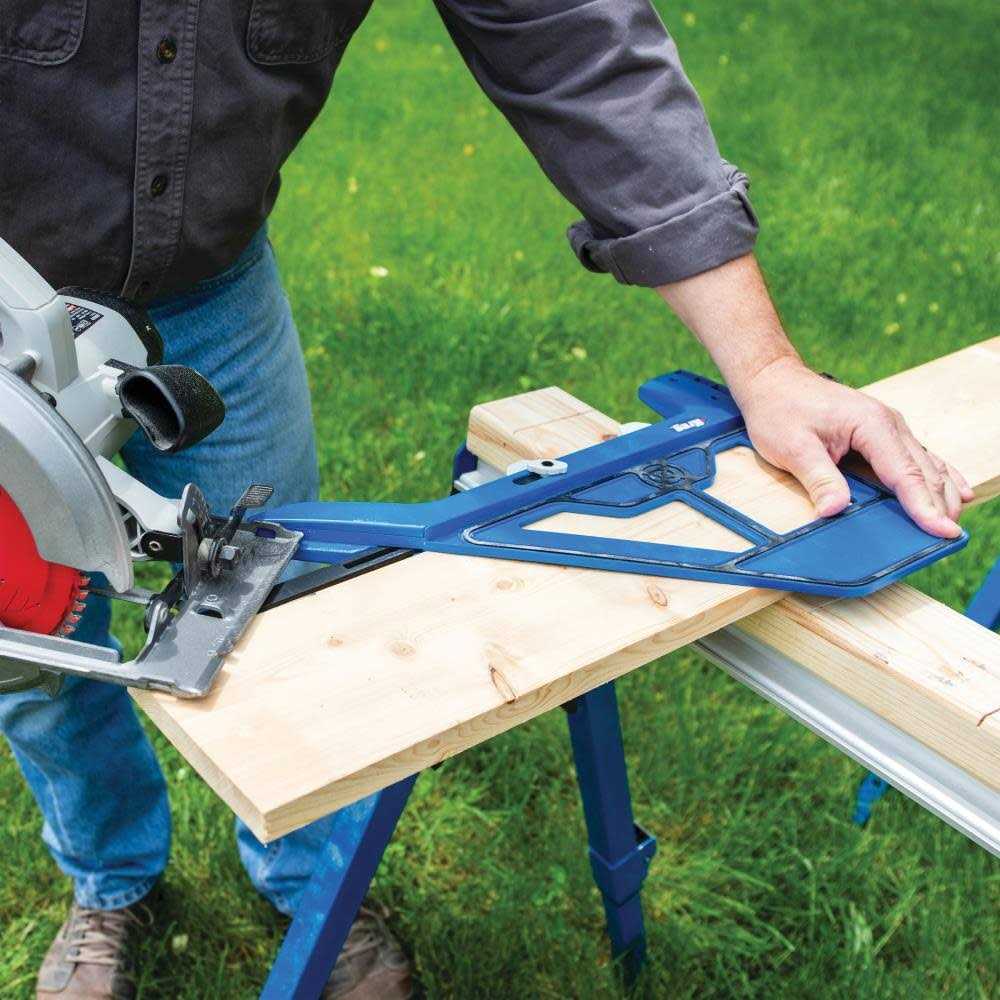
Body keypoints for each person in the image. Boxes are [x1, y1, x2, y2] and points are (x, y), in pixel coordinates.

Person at [0, 2, 969, 998]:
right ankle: (110, 880)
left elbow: (574, 36)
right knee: (31, 639)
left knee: (281, 607)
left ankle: (312, 884)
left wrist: (764, 368)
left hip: (209, 285)